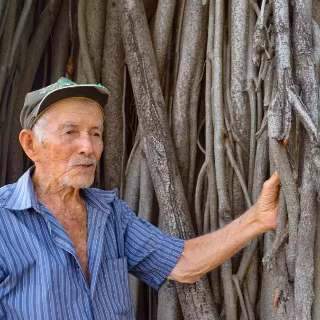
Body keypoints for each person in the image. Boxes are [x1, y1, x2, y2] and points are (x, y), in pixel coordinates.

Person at [0, 77, 280, 319]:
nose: (88, 147)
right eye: (70, 132)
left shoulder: (109, 214)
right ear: (30, 144)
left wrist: (258, 218)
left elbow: (184, 263)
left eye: (95, 133)